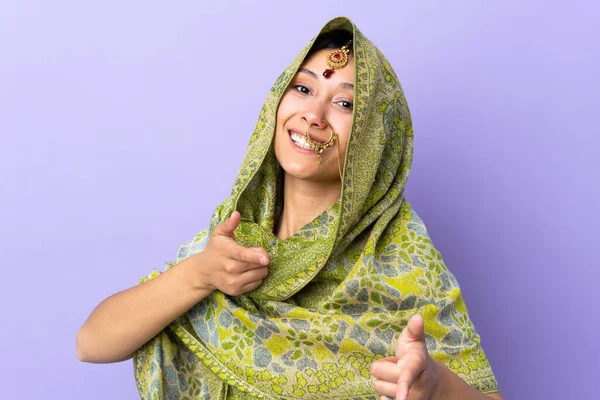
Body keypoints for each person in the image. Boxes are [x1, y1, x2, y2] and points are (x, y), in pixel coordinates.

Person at [77, 17, 503, 400]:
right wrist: (197, 274)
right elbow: (92, 343)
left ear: (374, 137)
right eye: (303, 88)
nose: (313, 115)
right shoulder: (236, 235)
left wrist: (436, 387)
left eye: (344, 103)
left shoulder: (402, 261)